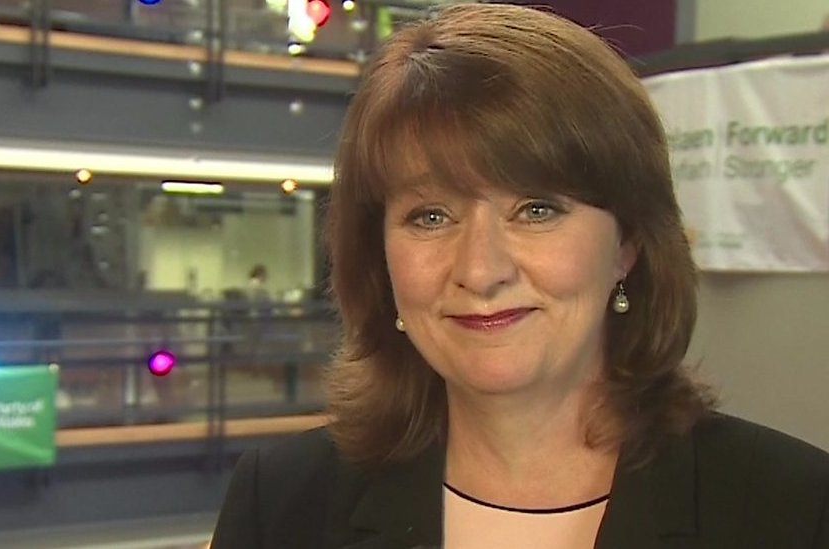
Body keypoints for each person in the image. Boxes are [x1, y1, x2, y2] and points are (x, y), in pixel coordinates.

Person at [211, 5, 829, 548]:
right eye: (431, 216)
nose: (481, 271)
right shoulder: (283, 503)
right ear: (379, 256)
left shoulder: (794, 509)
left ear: (628, 243)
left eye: (536, 210)